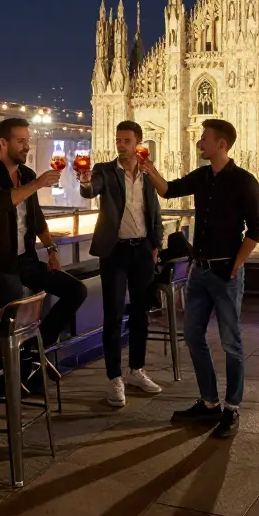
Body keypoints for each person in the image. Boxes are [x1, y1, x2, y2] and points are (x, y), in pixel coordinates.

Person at [140, 118, 259, 438]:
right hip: (199, 271)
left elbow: (257, 227)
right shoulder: (202, 176)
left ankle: (232, 407)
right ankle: (209, 402)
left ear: (221, 144)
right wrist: (149, 168)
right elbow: (169, 191)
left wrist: (237, 264)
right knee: (194, 336)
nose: (199, 142)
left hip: (226, 272)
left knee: (231, 343)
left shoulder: (244, 181)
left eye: (204, 138)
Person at [0, 117, 88, 394]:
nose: (27, 146)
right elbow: (1, 203)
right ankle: (4, 379)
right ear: (3, 143)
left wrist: (50, 248)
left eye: (28, 140)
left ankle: (34, 352)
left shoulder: (25, 175)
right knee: (16, 301)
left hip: (26, 261)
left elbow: (35, 218)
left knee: (76, 290)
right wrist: (37, 184)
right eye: (21, 141)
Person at [78, 120, 164, 407]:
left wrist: (156, 243)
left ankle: (136, 370)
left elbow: (154, 212)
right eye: (118, 140)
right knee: (113, 316)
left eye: (127, 140)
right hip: (115, 251)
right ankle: (114, 378)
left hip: (142, 250)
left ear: (138, 142)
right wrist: (84, 180)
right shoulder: (105, 170)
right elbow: (91, 190)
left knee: (140, 313)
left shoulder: (147, 172)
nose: (121, 145)